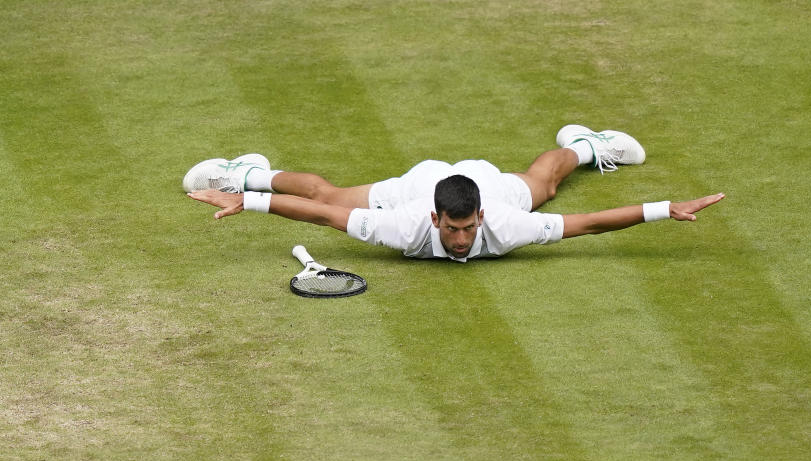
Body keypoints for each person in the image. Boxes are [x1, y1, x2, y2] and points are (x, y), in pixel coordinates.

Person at [184, 125, 724, 262]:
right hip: (419, 183)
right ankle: (248, 173)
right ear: (437, 220)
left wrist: (663, 211)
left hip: (487, 181)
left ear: (481, 218)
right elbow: (321, 214)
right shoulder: (404, 222)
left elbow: (587, 223)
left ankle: (585, 144)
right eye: (454, 229)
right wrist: (250, 202)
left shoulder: (507, 225)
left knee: (548, 182)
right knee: (330, 192)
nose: (462, 239)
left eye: (468, 229)